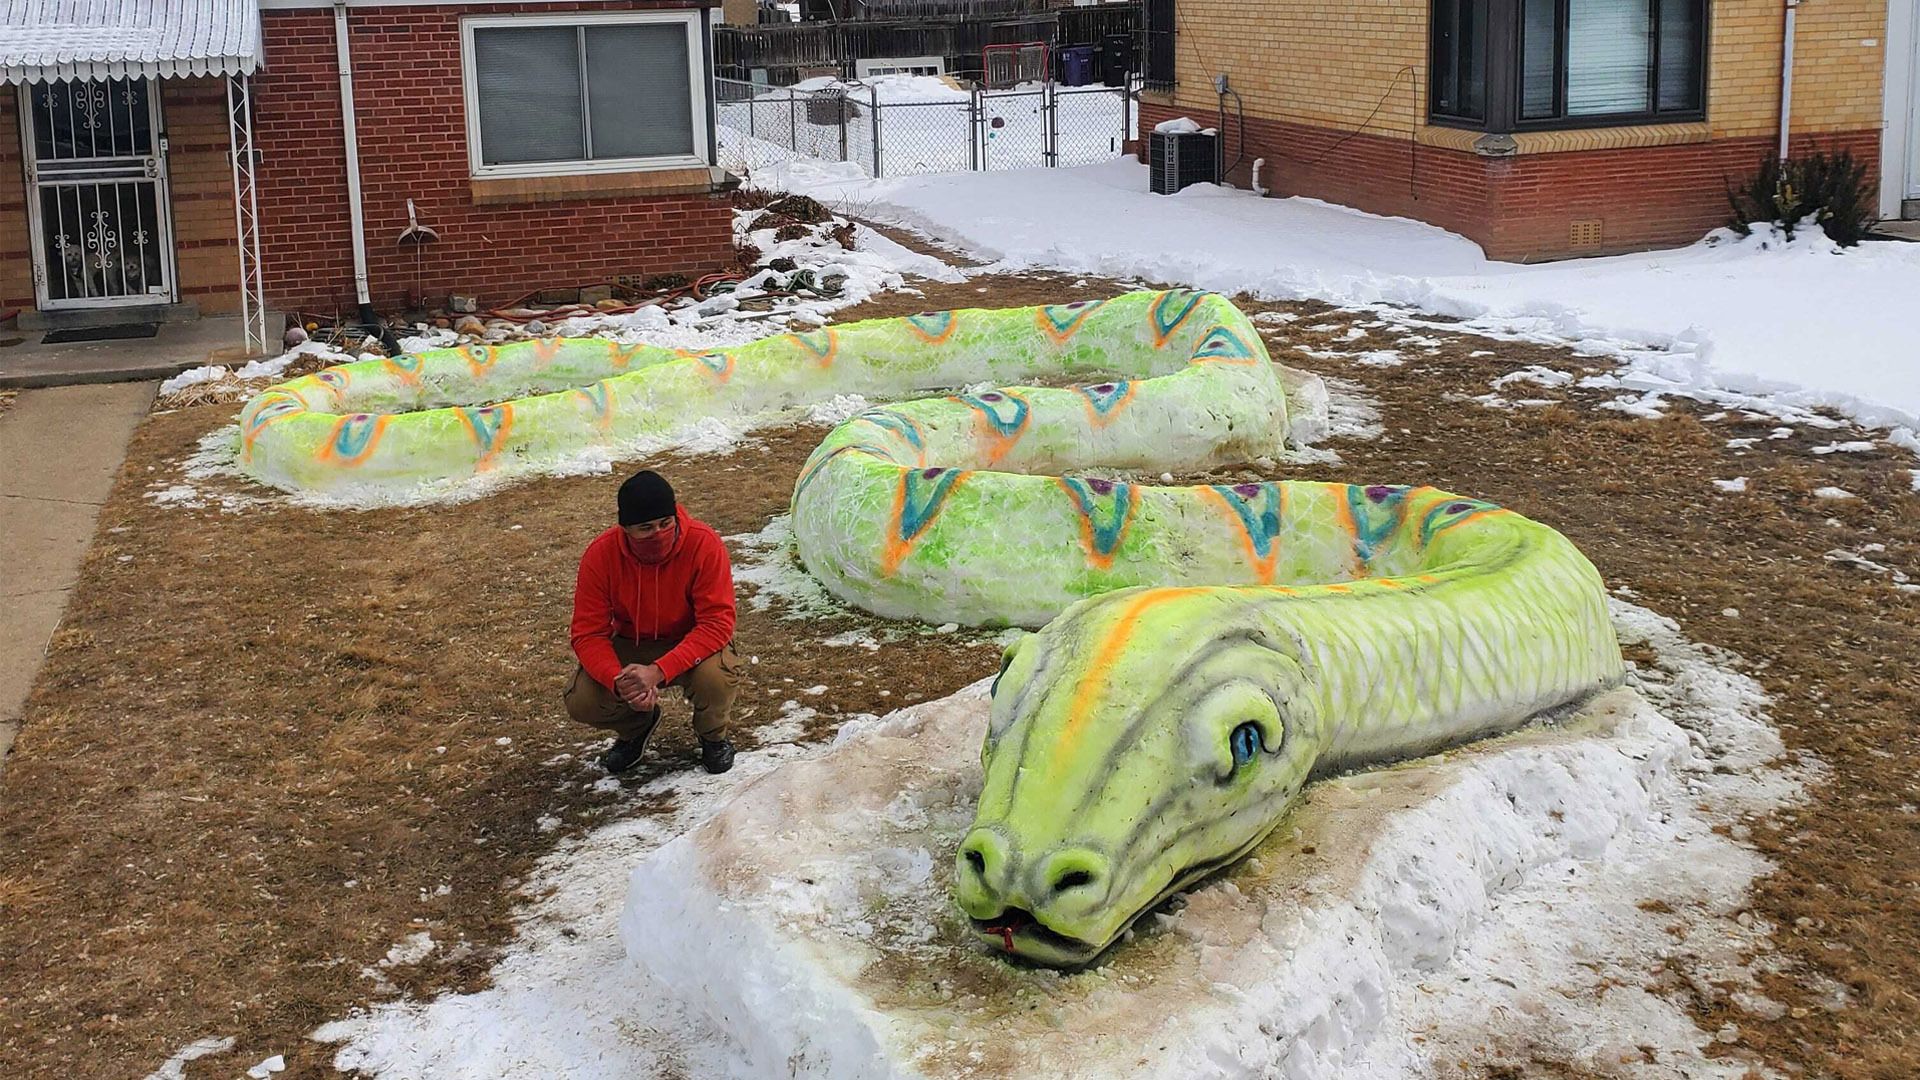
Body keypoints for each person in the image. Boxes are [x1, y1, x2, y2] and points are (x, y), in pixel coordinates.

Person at [564, 470, 743, 775]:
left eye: (665, 523)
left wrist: (658, 671)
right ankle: (637, 727)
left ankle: (713, 736)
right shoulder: (600, 555)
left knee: (717, 678)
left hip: (693, 642)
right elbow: (588, 633)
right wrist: (621, 684)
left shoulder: (704, 544)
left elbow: (716, 623)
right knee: (583, 700)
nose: (658, 534)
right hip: (632, 645)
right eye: (645, 528)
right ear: (626, 529)